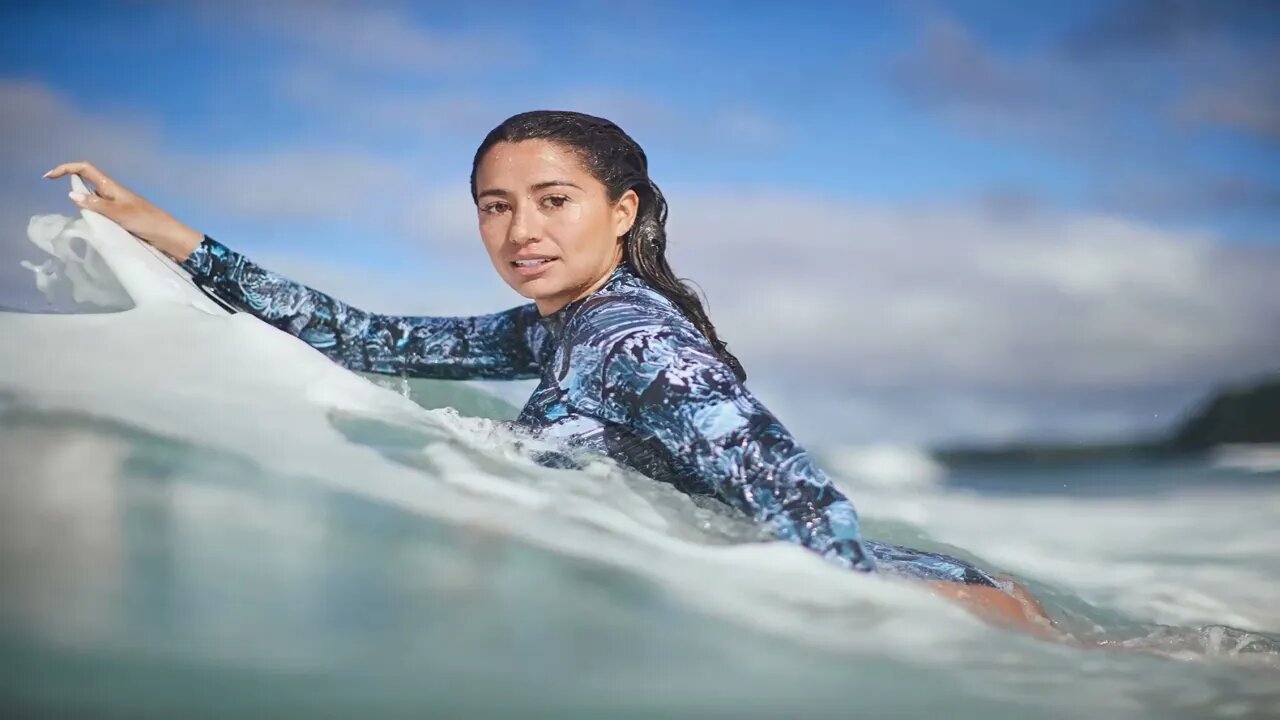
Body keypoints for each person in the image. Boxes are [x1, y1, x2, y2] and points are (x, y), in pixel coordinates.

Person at [46, 110, 1052, 634]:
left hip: (946, 614)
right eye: (493, 205)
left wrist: (882, 631)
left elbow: (802, 503)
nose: (520, 230)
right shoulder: (554, 330)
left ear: (621, 210)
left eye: (552, 199)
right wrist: (172, 237)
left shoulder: (628, 338)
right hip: (941, 601)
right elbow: (366, 339)